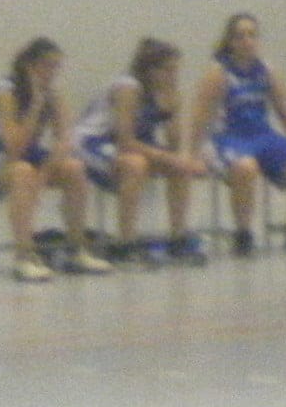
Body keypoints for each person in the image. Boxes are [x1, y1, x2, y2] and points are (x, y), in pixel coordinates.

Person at [0, 37, 114, 282]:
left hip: (24, 151)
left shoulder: (52, 92)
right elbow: (14, 147)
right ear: (29, 67)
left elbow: (65, 140)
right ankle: (24, 256)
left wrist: (46, 172)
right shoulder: (5, 92)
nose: (52, 73)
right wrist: (36, 105)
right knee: (22, 172)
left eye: (56, 67)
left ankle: (76, 248)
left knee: (74, 168)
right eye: (47, 66)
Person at [184, 13, 286, 254]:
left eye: (252, 35)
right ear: (230, 41)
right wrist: (192, 155)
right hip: (229, 138)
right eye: (240, 36)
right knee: (246, 167)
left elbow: (285, 112)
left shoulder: (266, 71)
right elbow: (200, 116)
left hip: (263, 136)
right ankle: (243, 235)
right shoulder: (219, 73)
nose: (247, 41)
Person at [77, 38, 209, 263]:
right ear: (150, 71)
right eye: (168, 70)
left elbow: (174, 145)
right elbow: (125, 141)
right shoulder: (128, 88)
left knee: (180, 167)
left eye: (176, 71)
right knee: (136, 165)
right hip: (93, 142)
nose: (173, 76)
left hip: (131, 145)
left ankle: (178, 237)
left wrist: (171, 111)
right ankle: (126, 243)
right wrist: (168, 158)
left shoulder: (165, 92)